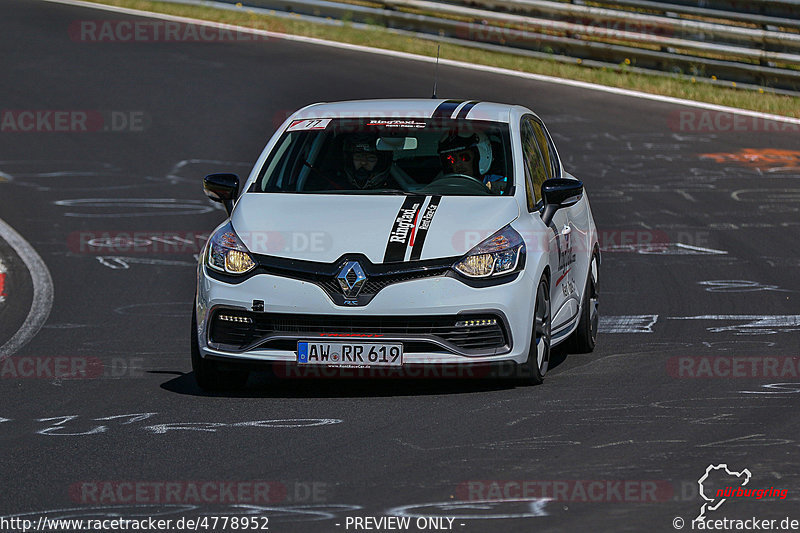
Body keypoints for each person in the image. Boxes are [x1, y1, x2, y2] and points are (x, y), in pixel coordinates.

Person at [438, 131, 508, 193]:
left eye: (464, 157)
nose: (458, 164)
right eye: (452, 160)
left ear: (480, 156)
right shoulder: (442, 187)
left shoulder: (503, 184)